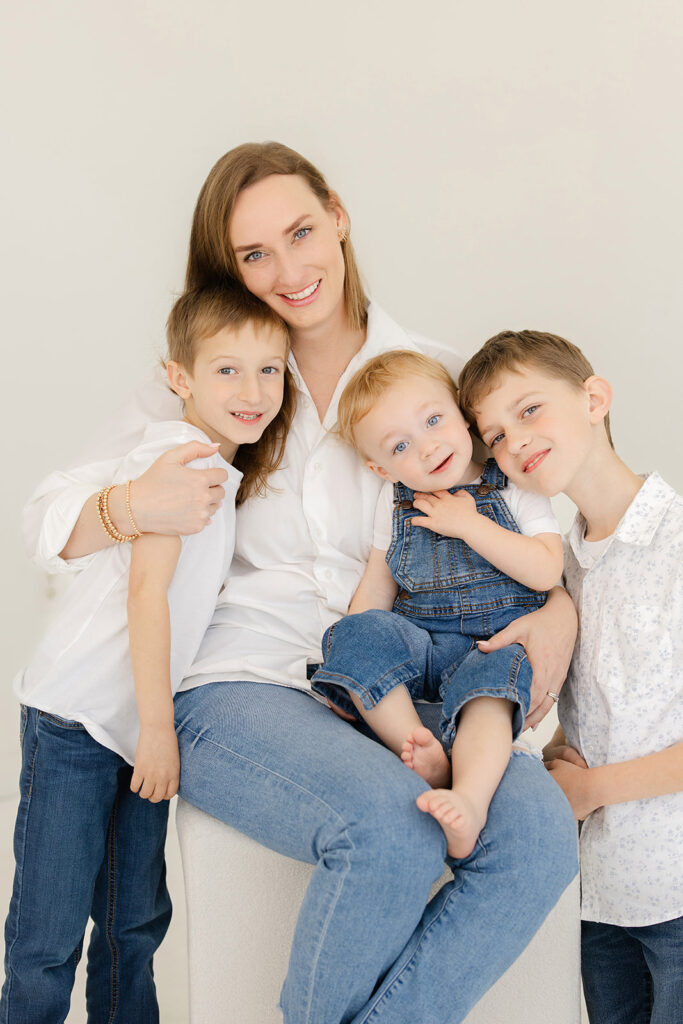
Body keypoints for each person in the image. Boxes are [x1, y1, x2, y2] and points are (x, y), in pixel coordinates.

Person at [21, 143, 578, 1024]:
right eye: (254, 254)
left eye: (301, 232)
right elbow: (51, 518)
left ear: (339, 217)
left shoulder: (432, 375)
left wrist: (559, 614)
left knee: (539, 841)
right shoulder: (214, 380)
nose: (287, 270)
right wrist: (132, 503)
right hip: (240, 685)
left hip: (403, 683)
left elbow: (525, 506)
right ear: (230, 270)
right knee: (389, 827)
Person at [2, 284, 293, 1022]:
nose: (253, 390)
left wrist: (149, 731)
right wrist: (158, 732)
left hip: (135, 723)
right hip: (81, 720)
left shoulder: (222, 473)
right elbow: (146, 597)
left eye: (270, 369)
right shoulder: (180, 460)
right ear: (179, 378)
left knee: (133, 919)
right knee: (49, 933)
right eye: (228, 369)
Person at [459, 329, 683, 1024]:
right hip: (602, 896)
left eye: (528, 411)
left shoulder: (674, 542)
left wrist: (588, 788)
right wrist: (561, 750)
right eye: (493, 435)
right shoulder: (560, 566)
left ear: (593, 398)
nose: (513, 442)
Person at [310, 350, 563, 858]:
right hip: (420, 642)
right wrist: (357, 661)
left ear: (460, 412)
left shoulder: (511, 484)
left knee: (490, 695)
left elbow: (545, 569)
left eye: (433, 420)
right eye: (402, 445)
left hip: (493, 645)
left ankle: (468, 797)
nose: (427, 448)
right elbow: (378, 587)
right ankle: (415, 746)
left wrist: (470, 523)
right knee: (354, 634)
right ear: (380, 467)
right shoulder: (397, 500)